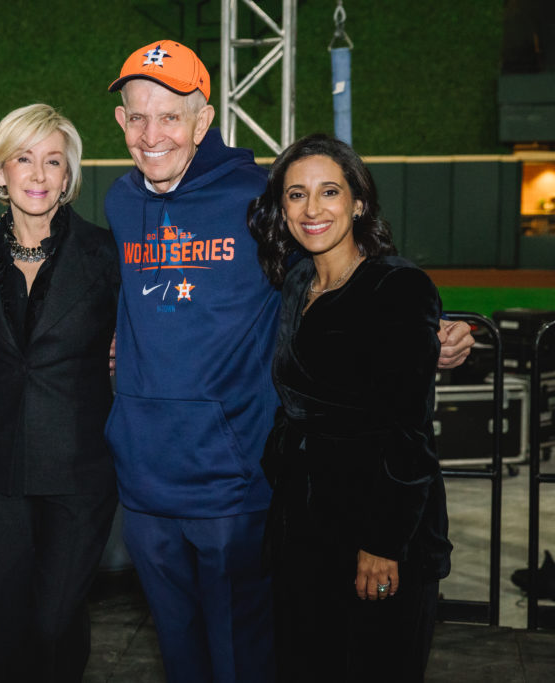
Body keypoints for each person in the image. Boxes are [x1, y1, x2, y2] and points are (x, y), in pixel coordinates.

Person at [102, 40, 473, 682]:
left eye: (169, 115)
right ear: (119, 122)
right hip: (143, 482)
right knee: (181, 659)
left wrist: (426, 332)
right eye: (136, 116)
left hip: (233, 481)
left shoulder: (257, 196)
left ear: (203, 119)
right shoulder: (117, 201)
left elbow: (339, 257)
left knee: (248, 661)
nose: (151, 132)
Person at [247, 133, 452, 682]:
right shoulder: (294, 280)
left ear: (358, 201)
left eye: (329, 191)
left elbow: (408, 431)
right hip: (303, 526)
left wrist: (382, 544)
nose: (312, 209)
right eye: (296, 194)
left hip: (377, 530)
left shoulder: (398, 287)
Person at [0, 104, 119, 682]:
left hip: (79, 472)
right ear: (0, 172)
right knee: (4, 628)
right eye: (23, 158)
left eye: (52, 160)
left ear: (69, 174)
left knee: (55, 622)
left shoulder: (107, 254)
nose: (37, 173)